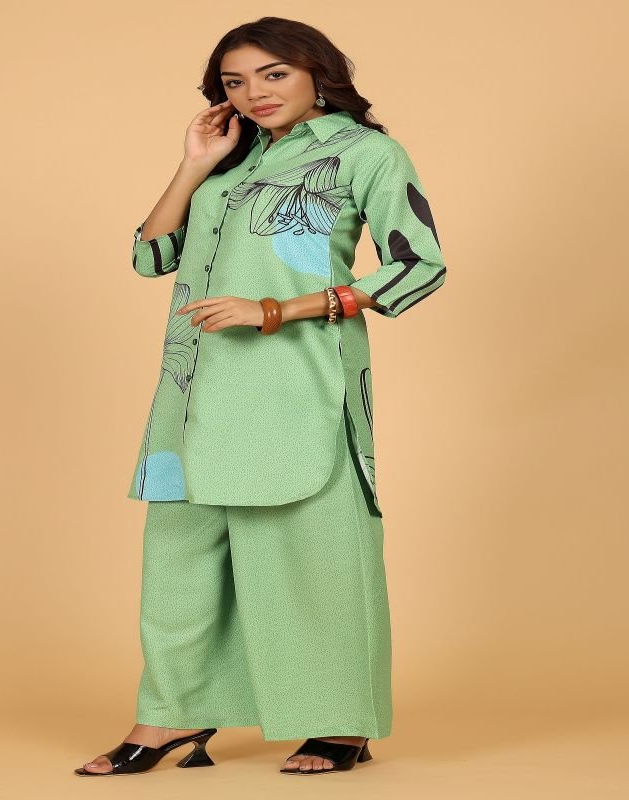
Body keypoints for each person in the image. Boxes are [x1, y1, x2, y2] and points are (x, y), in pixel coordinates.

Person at [74, 15, 447, 777]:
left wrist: (276, 309)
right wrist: (193, 164)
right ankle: (171, 714)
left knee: (316, 554)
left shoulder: (364, 153)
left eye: (274, 74)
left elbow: (418, 266)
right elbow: (152, 255)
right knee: (180, 563)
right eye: (235, 82)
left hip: (298, 383)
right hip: (195, 389)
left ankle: (340, 722)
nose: (255, 93)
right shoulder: (231, 162)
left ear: (318, 73)